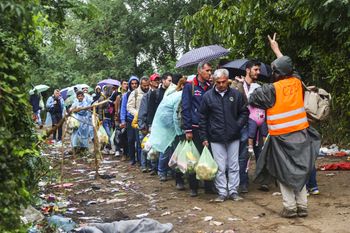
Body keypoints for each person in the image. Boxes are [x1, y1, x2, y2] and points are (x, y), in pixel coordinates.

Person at [249, 33, 321, 218]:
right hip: (301, 135)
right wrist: (276, 49)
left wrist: (246, 82)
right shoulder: (297, 82)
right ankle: (302, 206)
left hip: (281, 138)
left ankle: (290, 207)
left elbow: (252, 98)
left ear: (277, 73)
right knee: (300, 171)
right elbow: (289, 67)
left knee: (284, 172)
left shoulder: (271, 89)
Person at [199, 69, 249, 202]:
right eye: (218, 82)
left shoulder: (236, 95)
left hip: (233, 135)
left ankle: (233, 191)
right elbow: (202, 118)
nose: (221, 85)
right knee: (220, 167)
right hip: (216, 136)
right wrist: (204, 137)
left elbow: (244, 112)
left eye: (223, 82)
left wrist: (237, 126)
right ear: (214, 81)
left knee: (233, 165)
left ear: (227, 80)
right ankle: (222, 192)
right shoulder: (208, 96)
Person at [231, 60, 269, 193]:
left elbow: (263, 103)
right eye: (256, 70)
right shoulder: (236, 85)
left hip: (258, 124)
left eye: (259, 70)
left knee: (261, 152)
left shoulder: (258, 87)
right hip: (244, 124)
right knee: (244, 154)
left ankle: (264, 180)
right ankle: (243, 183)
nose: (258, 72)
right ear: (248, 70)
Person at [181, 61, 213, 197]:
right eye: (208, 71)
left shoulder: (210, 86)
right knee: (193, 158)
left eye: (211, 71)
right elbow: (186, 108)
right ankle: (193, 187)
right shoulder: (190, 86)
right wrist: (188, 129)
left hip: (208, 127)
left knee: (208, 156)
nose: (210, 73)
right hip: (194, 127)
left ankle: (208, 186)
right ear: (200, 71)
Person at [148, 73, 174, 181]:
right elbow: (151, 109)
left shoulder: (173, 92)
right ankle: (161, 171)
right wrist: (150, 124)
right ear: (163, 81)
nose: (170, 82)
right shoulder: (156, 93)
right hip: (160, 124)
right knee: (163, 148)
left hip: (171, 124)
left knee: (171, 149)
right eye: (169, 80)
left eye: (171, 80)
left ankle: (170, 170)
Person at [138, 73, 160, 173]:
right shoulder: (146, 96)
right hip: (147, 124)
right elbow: (142, 112)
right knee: (145, 146)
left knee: (155, 147)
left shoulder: (160, 94)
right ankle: (144, 166)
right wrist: (142, 126)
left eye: (158, 80)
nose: (157, 82)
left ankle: (154, 167)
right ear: (151, 82)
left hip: (157, 124)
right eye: (155, 80)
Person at [127, 76, 150, 165]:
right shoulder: (135, 93)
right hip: (138, 121)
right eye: (144, 86)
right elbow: (129, 107)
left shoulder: (150, 91)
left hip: (149, 120)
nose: (146, 87)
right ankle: (141, 162)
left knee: (148, 142)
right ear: (141, 84)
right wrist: (138, 114)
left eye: (147, 85)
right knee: (139, 142)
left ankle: (148, 162)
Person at [120, 76, 140, 162]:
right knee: (131, 140)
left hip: (139, 119)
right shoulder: (126, 95)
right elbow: (123, 108)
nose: (134, 85)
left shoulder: (141, 93)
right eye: (132, 83)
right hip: (130, 119)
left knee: (139, 140)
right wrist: (123, 120)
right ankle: (132, 158)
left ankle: (139, 159)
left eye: (136, 83)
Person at [114, 80, 129, 157]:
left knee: (125, 135)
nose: (126, 85)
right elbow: (115, 106)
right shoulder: (118, 96)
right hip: (119, 118)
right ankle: (117, 149)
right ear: (121, 85)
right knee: (118, 133)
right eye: (124, 84)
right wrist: (117, 116)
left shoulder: (130, 94)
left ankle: (125, 152)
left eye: (127, 84)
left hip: (126, 117)